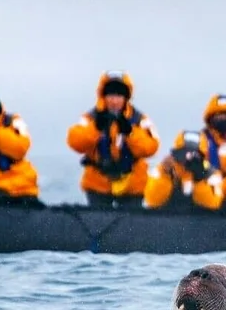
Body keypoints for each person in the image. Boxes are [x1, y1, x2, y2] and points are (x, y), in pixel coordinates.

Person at [66, 71, 160, 209]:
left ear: (126, 97)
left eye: (119, 95)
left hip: (131, 184)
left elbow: (151, 147)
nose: (114, 100)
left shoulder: (140, 120)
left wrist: (130, 132)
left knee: (132, 226)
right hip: (98, 183)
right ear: (103, 95)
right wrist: (96, 128)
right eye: (110, 95)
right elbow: (75, 142)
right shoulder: (90, 118)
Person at [144, 131, 224, 210]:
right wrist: (165, 174)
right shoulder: (164, 169)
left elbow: (213, 205)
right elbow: (150, 201)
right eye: (184, 152)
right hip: (168, 219)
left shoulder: (211, 173)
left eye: (195, 154)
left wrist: (199, 177)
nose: (188, 157)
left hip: (199, 220)